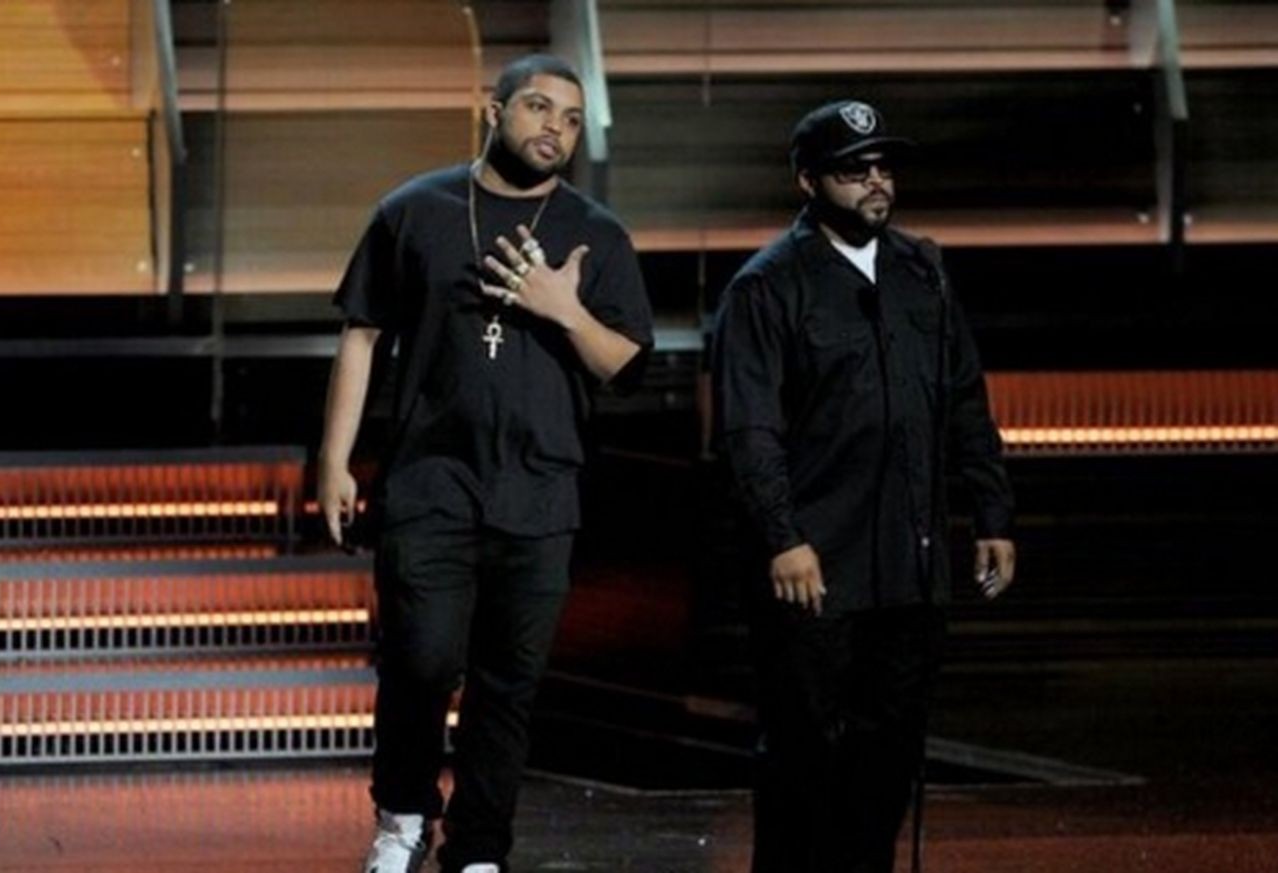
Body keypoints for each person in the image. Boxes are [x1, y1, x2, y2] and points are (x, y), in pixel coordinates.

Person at [317, 54, 653, 873]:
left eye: (571, 119)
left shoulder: (596, 232)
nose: (554, 130)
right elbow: (362, 334)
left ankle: (479, 847)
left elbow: (625, 363)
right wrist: (332, 460)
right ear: (492, 108)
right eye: (538, 108)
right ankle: (401, 818)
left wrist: (563, 309)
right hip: (429, 481)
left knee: (509, 684)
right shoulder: (414, 211)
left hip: (541, 489)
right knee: (423, 659)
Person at [711, 99, 1016, 873]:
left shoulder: (922, 271)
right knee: (803, 749)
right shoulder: (767, 287)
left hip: (909, 566)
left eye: (884, 167)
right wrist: (783, 536)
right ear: (808, 181)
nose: (877, 183)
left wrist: (991, 512)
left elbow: (964, 398)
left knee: (891, 746)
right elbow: (750, 431)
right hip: (815, 564)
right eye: (855, 170)